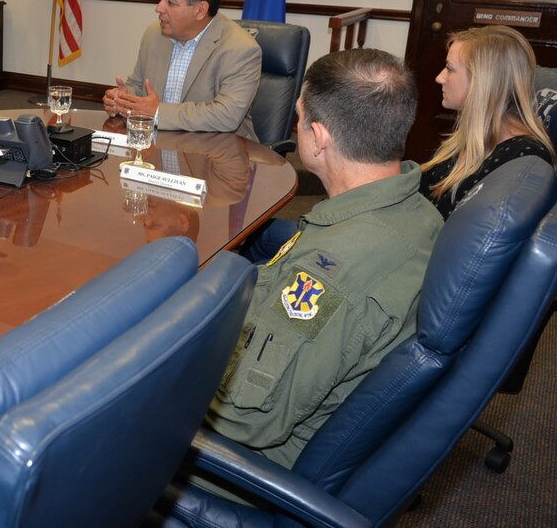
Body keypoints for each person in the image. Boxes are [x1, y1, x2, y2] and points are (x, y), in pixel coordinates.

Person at [204, 48, 443, 469]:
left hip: (244, 461)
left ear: (320, 136)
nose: (296, 128)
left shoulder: (334, 272)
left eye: (298, 118)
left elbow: (242, 417)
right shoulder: (416, 208)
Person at [102, 0, 261, 139]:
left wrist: (158, 113)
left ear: (200, 10)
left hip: (218, 153)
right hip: (161, 147)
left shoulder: (240, 49)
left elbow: (227, 115)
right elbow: (138, 86)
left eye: (170, 2)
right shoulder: (154, 35)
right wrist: (122, 99)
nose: (159, 8)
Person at [421, 25, 554, 220]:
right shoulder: (475, 135)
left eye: (450, 69)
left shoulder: (522, 156)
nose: (439, 78)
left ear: (483, 82)